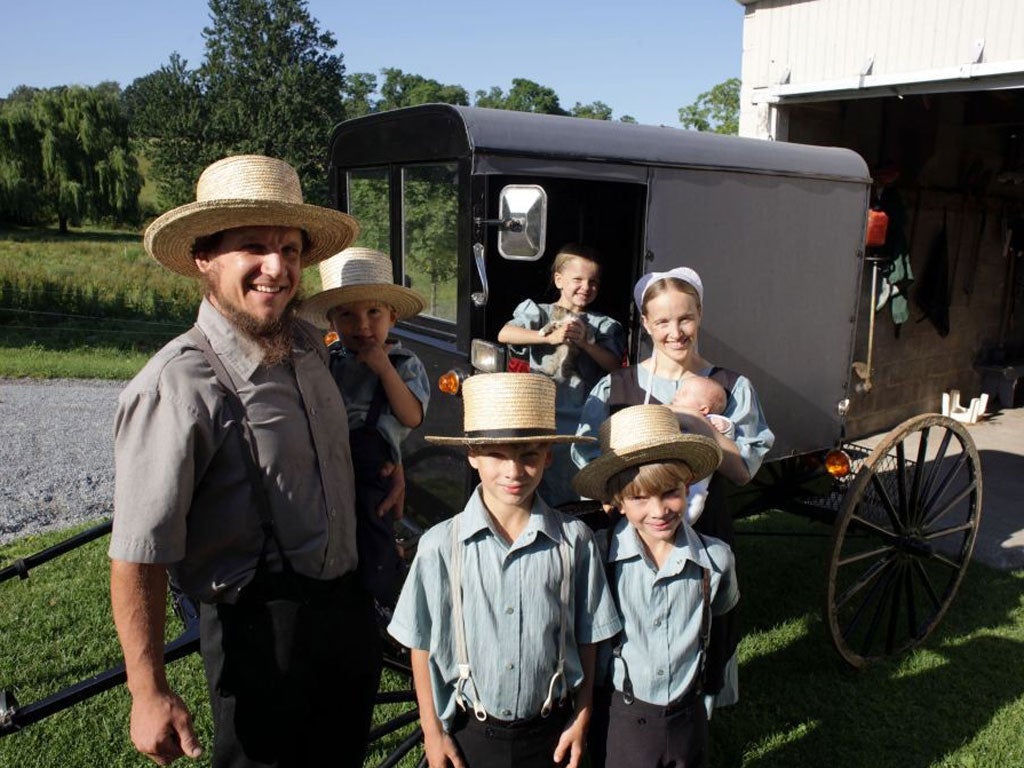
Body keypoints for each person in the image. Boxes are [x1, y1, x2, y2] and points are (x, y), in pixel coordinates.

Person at [108, 154, 385, 768]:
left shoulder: (310, 346)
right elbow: (137, 555)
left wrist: (380, 470)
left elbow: (333, 451)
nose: (277, 267)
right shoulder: (176, 387)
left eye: (289, 248)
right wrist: (147, 690)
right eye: (253, 247)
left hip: (346, 612)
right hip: (259, 638)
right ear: (204, 259)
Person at [387, 373, 622, 768]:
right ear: (472, 455)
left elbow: (589, 637)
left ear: (548, 455)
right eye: (497, 455)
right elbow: (420, 644)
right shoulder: (440, 546)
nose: (513, 472)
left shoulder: (574, 541)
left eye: (528, 455)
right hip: (471, 737)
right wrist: (432, 731)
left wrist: (581, 719)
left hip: (551, 734)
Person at [572, 266, 773, 708]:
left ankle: (693, 720)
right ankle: (627, 716)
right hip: (634, 534)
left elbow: (743, 471)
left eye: (684, 318)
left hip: (704, 533)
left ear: (700, 315)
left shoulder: (729, 388)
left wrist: (700, 424)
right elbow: (587, 455)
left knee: (702, 631)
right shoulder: (616, 387)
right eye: (662, 321)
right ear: (646, 324)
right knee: (631, 628)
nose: (675, 332)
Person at [572, 404, 736, 768]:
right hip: (623, 717)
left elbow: (721, 617)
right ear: (617, 501)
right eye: (640, 498)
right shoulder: (600, 557)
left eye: (669, 493)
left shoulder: (716, 560)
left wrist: (709, 688)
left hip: (687, 716)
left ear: (688, 485)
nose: (659, 510)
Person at [301, 246, 430, 604]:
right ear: (332, 323)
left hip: (375, 464)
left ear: (393, 317)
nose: (361, 325)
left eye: (373, 312)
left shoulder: (404, 363)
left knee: (374, 525)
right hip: (329, 458)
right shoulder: (330, 361)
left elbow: (411, 416)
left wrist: (383, 369)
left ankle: (380, 596)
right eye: (347, 315)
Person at [497, 243, 626, 507]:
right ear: (559, 279)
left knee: (580, 475)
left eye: (593, 282)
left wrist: (588, 344)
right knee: (542, 474)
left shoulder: (603, 325)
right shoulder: (538, 311)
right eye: (577, 279)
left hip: (585, 417)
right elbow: (505, 333)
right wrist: (546, 336)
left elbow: (615, 366)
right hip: (542, 415)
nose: (586, 287)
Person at [671, 374, 735, 524]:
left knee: (697, 494)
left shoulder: (712, 421)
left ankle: (686, 520)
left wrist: (726, 425)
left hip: (699, 472)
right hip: (676, 467)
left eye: (684, 393)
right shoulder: (676, 415)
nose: (676, 395)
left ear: (703, 409)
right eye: (679, 391)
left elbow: (727, 437)